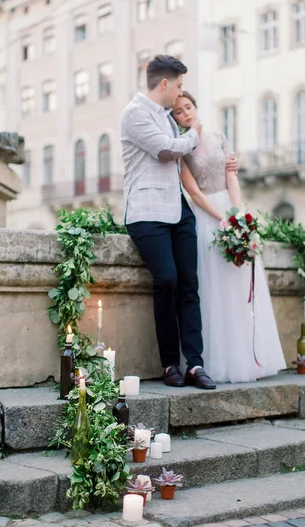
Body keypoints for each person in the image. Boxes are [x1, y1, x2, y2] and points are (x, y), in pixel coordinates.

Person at [121, 55, 237, 389]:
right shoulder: (135, 113)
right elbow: (166, 150)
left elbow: (191, 161)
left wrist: (226, 164)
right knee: (167, 281)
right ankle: (170, 363)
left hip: (179, 209)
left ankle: (195, 365)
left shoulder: (168, 118)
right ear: (165, 84)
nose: (181, 93)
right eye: (180, 85)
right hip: (147, 211)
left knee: (189, 283)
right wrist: (195, 134)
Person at [172, 92, 286, 383]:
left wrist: (238, 216)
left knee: (240, 284)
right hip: (205, 216)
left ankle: (249, 360)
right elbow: (194, 193)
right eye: (178, 111)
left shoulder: (219, 136)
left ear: (196, 107)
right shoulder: (181, 149)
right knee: (212, 287)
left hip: (229, 209)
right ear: (174, 119)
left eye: (188, 107)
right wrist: (220, 218)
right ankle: (214, 361)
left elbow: (231, 176)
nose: (185, 113)